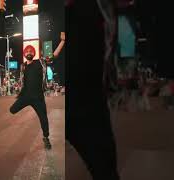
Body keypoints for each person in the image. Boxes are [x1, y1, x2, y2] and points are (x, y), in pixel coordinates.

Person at [66, 0, 120, 179]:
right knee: (103, 165)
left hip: (89, 94)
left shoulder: (100, 11)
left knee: (104, 165)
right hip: (83, 96)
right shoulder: (83, 14)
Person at [9, 45, 52, 149]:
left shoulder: (40, 62)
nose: (29, 53)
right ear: (24, 54)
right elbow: (22, 81)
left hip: (38, 98)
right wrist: (19, 93)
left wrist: (63, 41)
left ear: (34, 53)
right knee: (12, 110)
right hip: (25, 96)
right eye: (27, 51)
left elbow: (54, 55)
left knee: (44, 119)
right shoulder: (22, 66)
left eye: (31, 51)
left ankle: (46, 138)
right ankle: (27, 104)